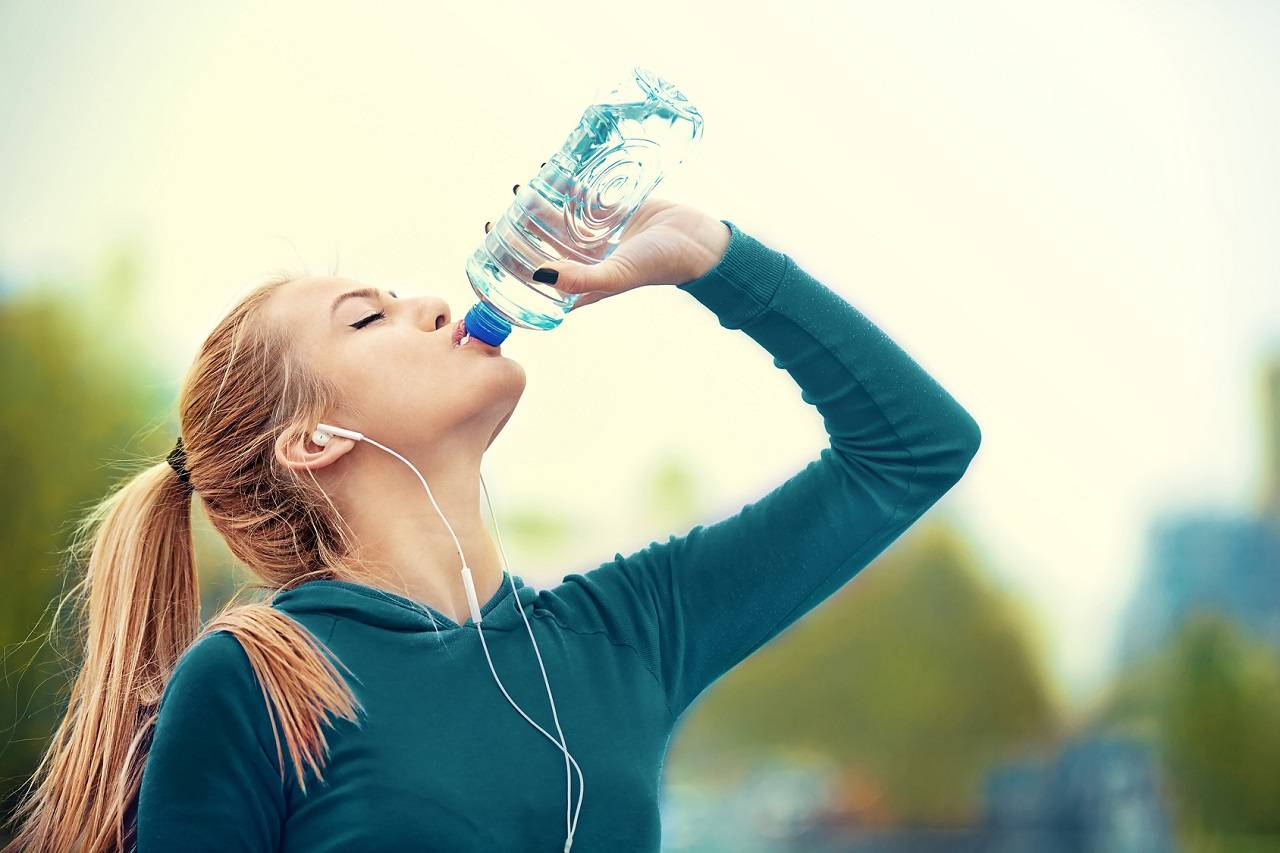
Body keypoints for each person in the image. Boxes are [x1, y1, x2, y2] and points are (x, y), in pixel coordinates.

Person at [1, 193, 980, 853]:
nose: (429, 302)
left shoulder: (621, 633)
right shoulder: (260, 679)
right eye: (367, 317)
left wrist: (705, 258)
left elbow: (912, 446)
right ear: (313, 440)